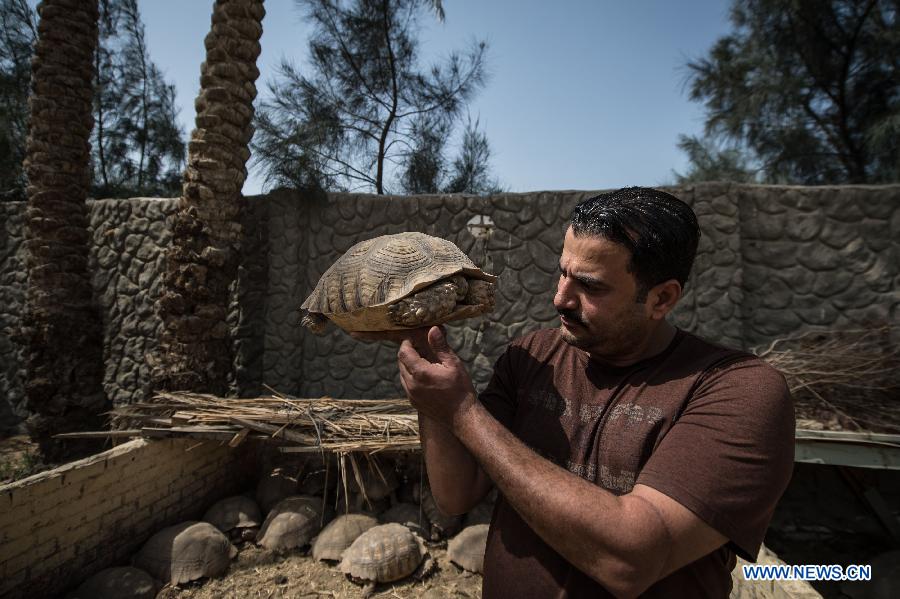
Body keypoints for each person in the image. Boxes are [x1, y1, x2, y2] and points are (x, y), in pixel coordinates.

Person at [360, 187, 795, 598]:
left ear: (661, 298)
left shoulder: (737, 390)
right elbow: (456, 495)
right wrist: (426, 376)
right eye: (562, 272)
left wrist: (461, 411)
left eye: (590, 285)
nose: (560, 298)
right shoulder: (531, 357)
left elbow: (630, 560)